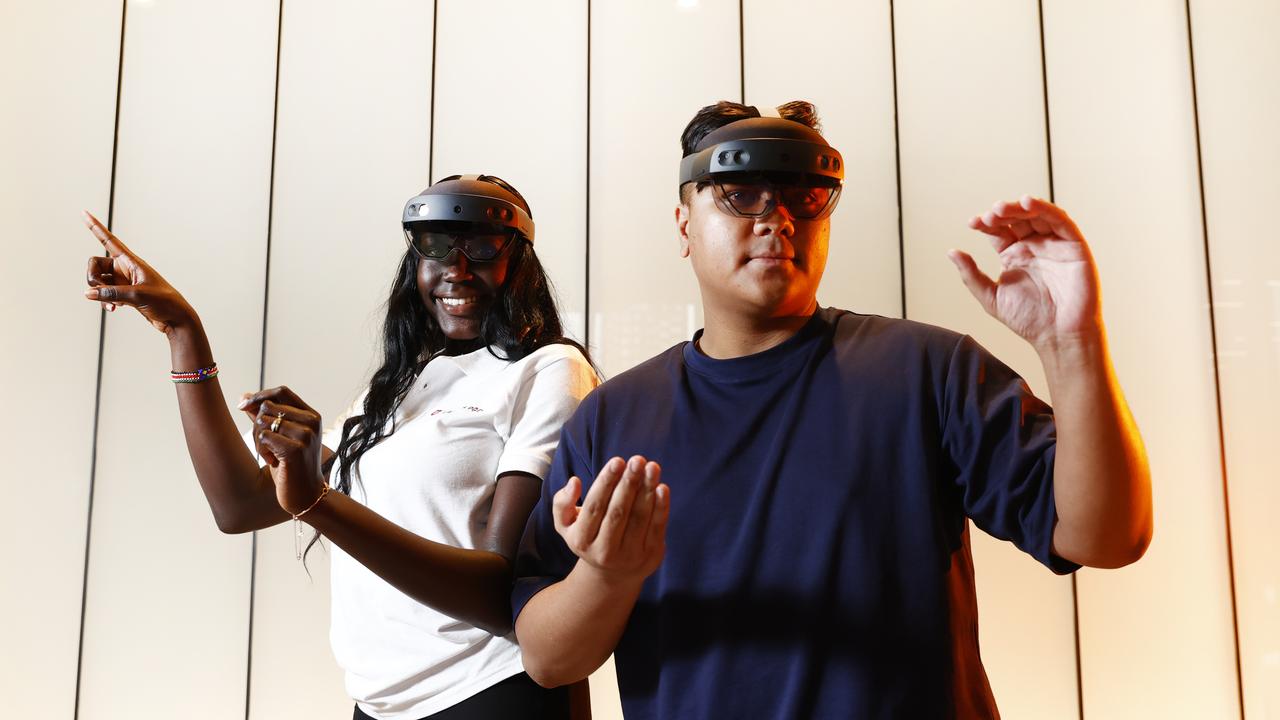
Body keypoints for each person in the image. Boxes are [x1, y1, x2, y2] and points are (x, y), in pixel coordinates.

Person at [511, 102, 1153, 718]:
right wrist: (605, 575)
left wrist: (1074, 346)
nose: (777, 218)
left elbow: (1106, 536)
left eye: (802, 197)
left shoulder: (927, 371)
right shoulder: (612, 418)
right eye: (742, 193)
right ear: (684, 225)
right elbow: (547, 659)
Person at [82, 174, 598, 720]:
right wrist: (184, 333)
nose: (456, 267)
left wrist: (318, 502)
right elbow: (238, 506)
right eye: (436, 246)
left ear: (520, 262)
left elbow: (500, 593)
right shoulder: (395, 391)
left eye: (481, 245)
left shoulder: (548, 370)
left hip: (489, 693)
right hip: (377, 703)